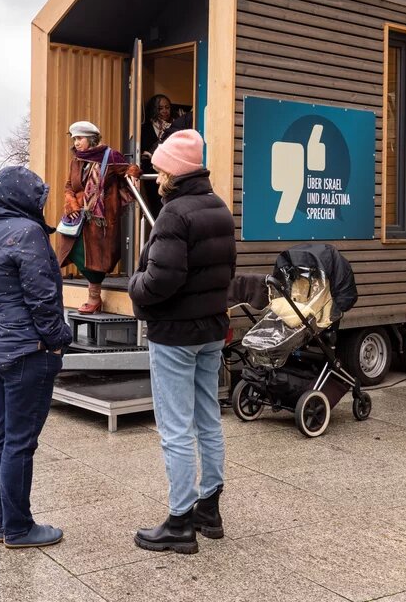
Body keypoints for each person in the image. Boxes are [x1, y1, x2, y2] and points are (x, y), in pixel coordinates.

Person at [128, 130, 236, 555]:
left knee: (175, 429)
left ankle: (179, 521)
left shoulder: (175, 215)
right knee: (207, 418)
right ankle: (209, 508)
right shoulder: (219, 209)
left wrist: (135, 285)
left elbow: (162, 280)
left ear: (174, 170)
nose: (157, 175)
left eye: (161, 168)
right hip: (210, 330)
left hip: (174, 334)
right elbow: (224, 272)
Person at [0, 165, 72, 548]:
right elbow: (42, 297)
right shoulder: (28, 233)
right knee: (19, 442)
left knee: (2, 438)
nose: (42, 202)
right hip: (28, 351)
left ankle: (4, 524)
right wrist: (57, 340)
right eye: (38, 196)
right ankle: (18, 528)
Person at [55, 121, 141, 313]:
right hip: (78, 217)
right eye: (74, 139)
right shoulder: (76, 160)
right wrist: (72, 203)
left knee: (96, 259)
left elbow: (129, 169)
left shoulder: (110, 155)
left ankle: (94, 298)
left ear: (92, 139)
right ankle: (93, 296)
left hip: (100, 219)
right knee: (74, 251)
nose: (76, 143)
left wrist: (134, 174)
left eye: (80, 138)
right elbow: (69, 185)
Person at [140, 95, 192, 214]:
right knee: (156, 207)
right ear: (154, 109)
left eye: (167, 107)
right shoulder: (145, 128)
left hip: (171, 173)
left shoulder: (177, 126)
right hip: (152, 174)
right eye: (160, 108)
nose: (164, 111)